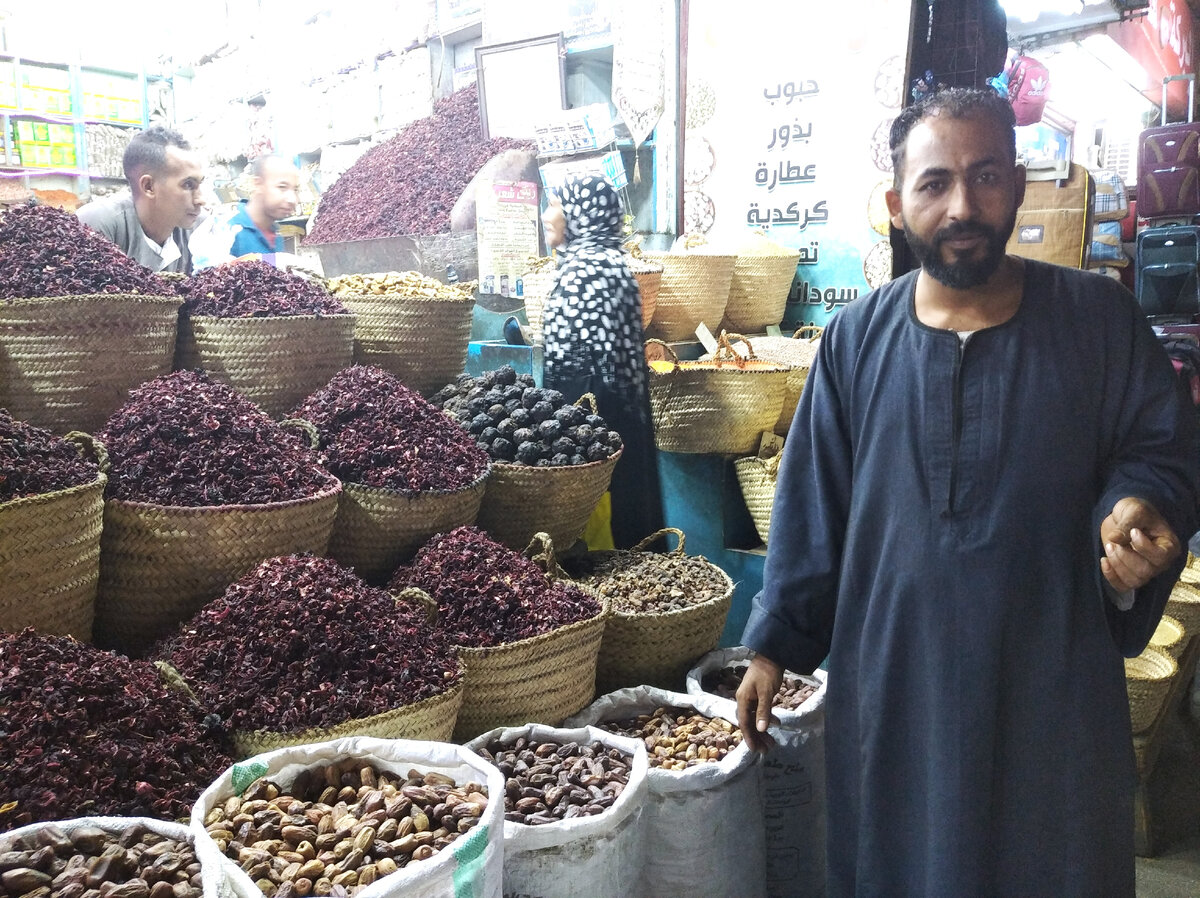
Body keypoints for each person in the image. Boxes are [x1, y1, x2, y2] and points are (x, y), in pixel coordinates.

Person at [735, 86, 1199, 896]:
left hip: (1049, 680)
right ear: (896, 201)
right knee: (899, 865)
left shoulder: (1099, 320)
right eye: (934, 183)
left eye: (986, 177)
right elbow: (813, 507)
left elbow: (1160, 450)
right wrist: (774, 644)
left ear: (1018, 185)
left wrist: (1139, 512)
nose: (962, 205)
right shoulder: (854, 341)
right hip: (894, 685)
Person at [541, 175, 664, 548]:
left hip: (597, 434)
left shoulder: (587, 269)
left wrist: (561, 438)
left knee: (600, 547)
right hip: (621, 425)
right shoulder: (608, 262)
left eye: (557, 206)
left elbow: (585, 373)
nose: (548, 216)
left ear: (581, 214)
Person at [77, 126, 204, 273]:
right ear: (149, 186)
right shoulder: (97, 226)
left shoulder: (199, 229)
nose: (201, 199)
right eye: (188, 185)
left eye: (200, 183)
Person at [227, 154, 299, 257]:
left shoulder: (276, 235)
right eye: (282, 187)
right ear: (258, 184)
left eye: (295, 190)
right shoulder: (228, 230)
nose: (292, 199)